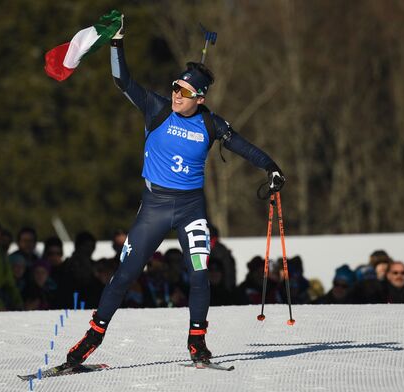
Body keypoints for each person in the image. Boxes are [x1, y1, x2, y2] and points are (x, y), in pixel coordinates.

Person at [65, 15, 285, 366]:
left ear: (198, 97)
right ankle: (92, 337)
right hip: (154, 207)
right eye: (174, 87)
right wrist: (117, 42)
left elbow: (244, 146)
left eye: (182, 91)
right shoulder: (157, 108)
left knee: (199, 273)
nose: (175, 94)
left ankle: (197, 343)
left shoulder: (211, 123)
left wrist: (272, 168)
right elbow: (122, 79)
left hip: (190, 209)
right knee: (125, 275)